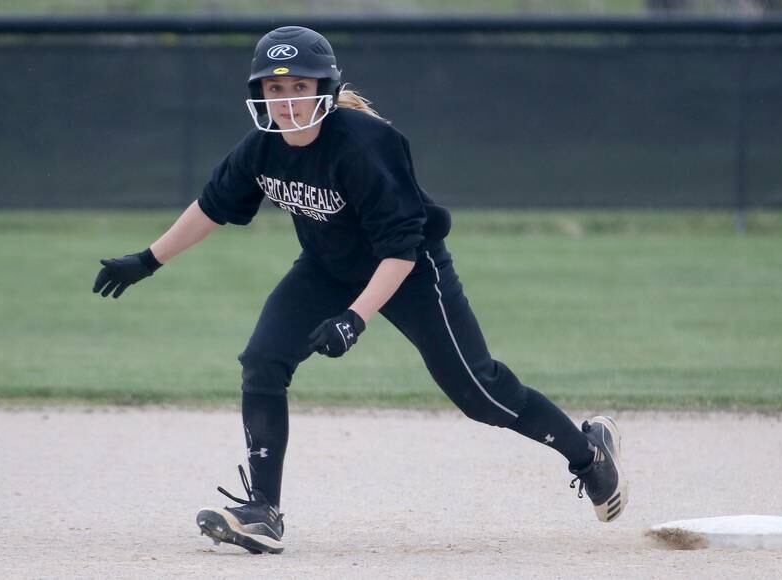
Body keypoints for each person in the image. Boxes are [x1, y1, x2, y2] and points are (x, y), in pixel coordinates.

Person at [93, 26, 628, 555]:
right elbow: (213, 206)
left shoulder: (366, 145)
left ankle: (589, 455)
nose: (287, 101)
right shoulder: (262, 148)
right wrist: (147, 260)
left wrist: (355, 318)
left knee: (480, 393)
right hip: (326, 267)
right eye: (274, 89)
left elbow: (401, 247)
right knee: (262, 361)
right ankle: (263, 510)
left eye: (299, 86)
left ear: (323, 88)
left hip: (411, 270)